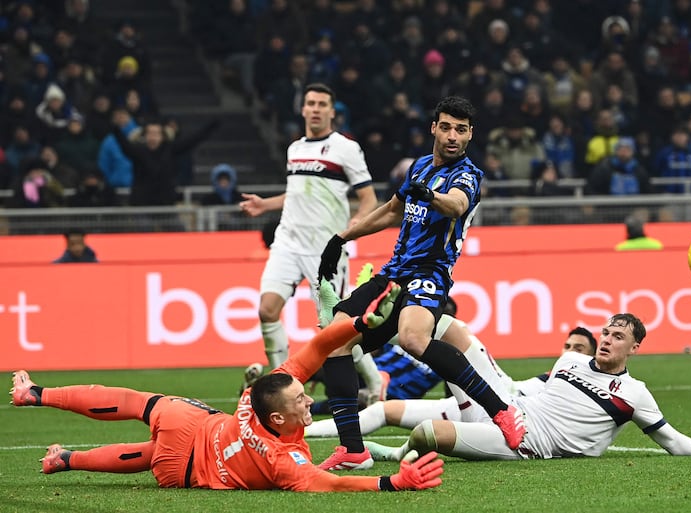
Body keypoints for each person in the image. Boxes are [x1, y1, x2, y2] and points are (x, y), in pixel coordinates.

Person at [10, 284, 445, 492]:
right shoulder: (282, 459)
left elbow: (315, 346)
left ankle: (38, 395)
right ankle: (65, 460)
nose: (308, 396)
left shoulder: (253, 399)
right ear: (278, 418)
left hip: (190, 426)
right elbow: (323, 484)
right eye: (300, 399)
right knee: (148, 457)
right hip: (182, 472)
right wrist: (392, 483)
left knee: (131, 402)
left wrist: (357, 324)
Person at [314, 95, 526, 471]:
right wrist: (341, 238)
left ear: (470, 135)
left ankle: (501, 410)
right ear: (434, 128)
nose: (452, 136)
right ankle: (353, 450)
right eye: (446, 127)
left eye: (461, 130)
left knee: (414, 338)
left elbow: (457, 205)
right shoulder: (420, 166)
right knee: (333, 340)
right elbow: (391, 211)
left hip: (430, 273)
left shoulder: (468, 175)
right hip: (394, 272)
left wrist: (429, 195)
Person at [364, 313, 691, 463]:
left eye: (618, 336)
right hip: (508, 411)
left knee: (426, 432)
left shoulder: (634, 393)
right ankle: (380, 321)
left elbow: (671, 440)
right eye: (606, 332)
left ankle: (400, 453)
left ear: (634, 348)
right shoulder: (570, 361)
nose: (608, 339)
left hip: (526, 444)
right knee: (448, 326)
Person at [239, 83, 378, 374]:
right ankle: (281, 381)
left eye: (322, 104)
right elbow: (299, 193)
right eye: (311, 103)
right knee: (267, 310)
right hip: (288, 243)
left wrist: (357, 223)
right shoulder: (295, 149)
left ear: (331, 112)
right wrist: (266, 205)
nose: (315, 109)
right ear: (302, 109)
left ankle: (376, 381)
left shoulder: (346, 148)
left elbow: (369, 199)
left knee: (333, 328)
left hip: (325, 248)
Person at [305, 327, 597, 438]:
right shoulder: (550, 377)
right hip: (491, 396)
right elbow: (516, 388)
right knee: (383, 410)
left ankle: (370, 324)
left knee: (455, 337)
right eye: (568, 345)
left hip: (495, 414)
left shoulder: (587, 386)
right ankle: (304, 431)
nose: (570, 352)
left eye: (579, 348)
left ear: (593, 356)